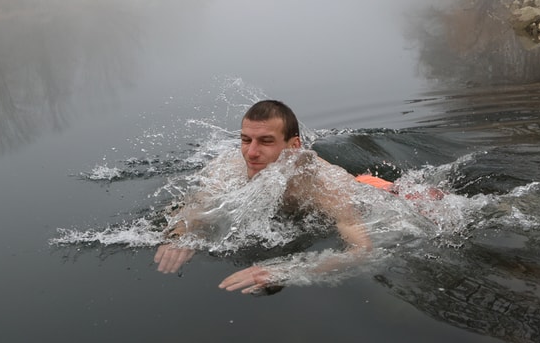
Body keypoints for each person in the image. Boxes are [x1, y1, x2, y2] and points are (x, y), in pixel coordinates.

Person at [154, 100, 418, 294]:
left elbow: (362, 251)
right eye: (246, 140)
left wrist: (287, 271)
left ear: (293, 146)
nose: (251, 153)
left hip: (372, 191)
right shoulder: (228, 167)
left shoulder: (324, 187)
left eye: (266, 141)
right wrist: (182, 235)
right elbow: (196, 208)